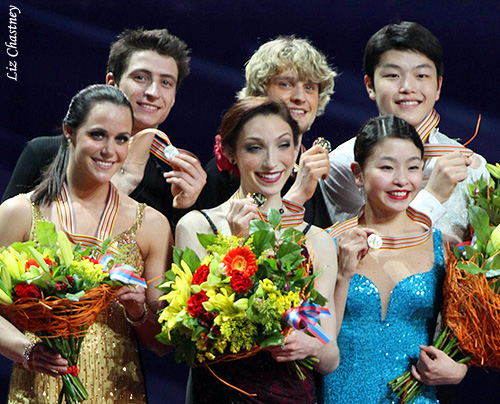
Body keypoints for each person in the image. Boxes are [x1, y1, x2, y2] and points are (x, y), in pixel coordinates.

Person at [0, 84, 172, 403]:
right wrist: (27, 351)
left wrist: (137, 313)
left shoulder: (152, 225)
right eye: (97, 135)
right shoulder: (19, 213)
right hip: (36, 390)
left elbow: (162, 344)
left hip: (120, 392)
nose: (110, 150)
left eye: (121, 139)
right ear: (69, 131)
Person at [176, 97, 339, 403]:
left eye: (283, 145)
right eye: (254, 147)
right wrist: (238, 246)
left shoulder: (316, 240)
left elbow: (330, 357)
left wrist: (312, 346)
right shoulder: (197, 226)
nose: (270, 162)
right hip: (221, 394)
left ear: (296, 151)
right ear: (229, 153)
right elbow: (192, 338)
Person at [320, 115, 468, 404]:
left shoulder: (444, 246)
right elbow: (315, 344)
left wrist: (459, 370)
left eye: (413, 167)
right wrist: (341, 275)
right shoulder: (326, 244)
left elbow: (464, 336)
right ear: (357, 173)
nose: (402, 180)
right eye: (387, 167)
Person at [2, 28, 206, 229]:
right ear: (112, 83)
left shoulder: (169, 188)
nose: (153, 92)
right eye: (141, 78)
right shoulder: (43, 154)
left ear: (173, 99)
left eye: (166, 82)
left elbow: (174, 261)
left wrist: (184, 208)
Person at [320, 21, 488, 241]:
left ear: (438, 87)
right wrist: (433, 195)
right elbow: (368, 251)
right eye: (393, 76)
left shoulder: (471, 166)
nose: (408, 87)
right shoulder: (345, 164)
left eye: (421, 76)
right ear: (370, 85)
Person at [197, 36, 336, 228]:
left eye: (310, 87)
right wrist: (298, 195)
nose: (300, 97)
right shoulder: (226, 170)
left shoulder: (317, 167)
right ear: (259, 91)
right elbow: (226, 250)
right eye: (286, 84)